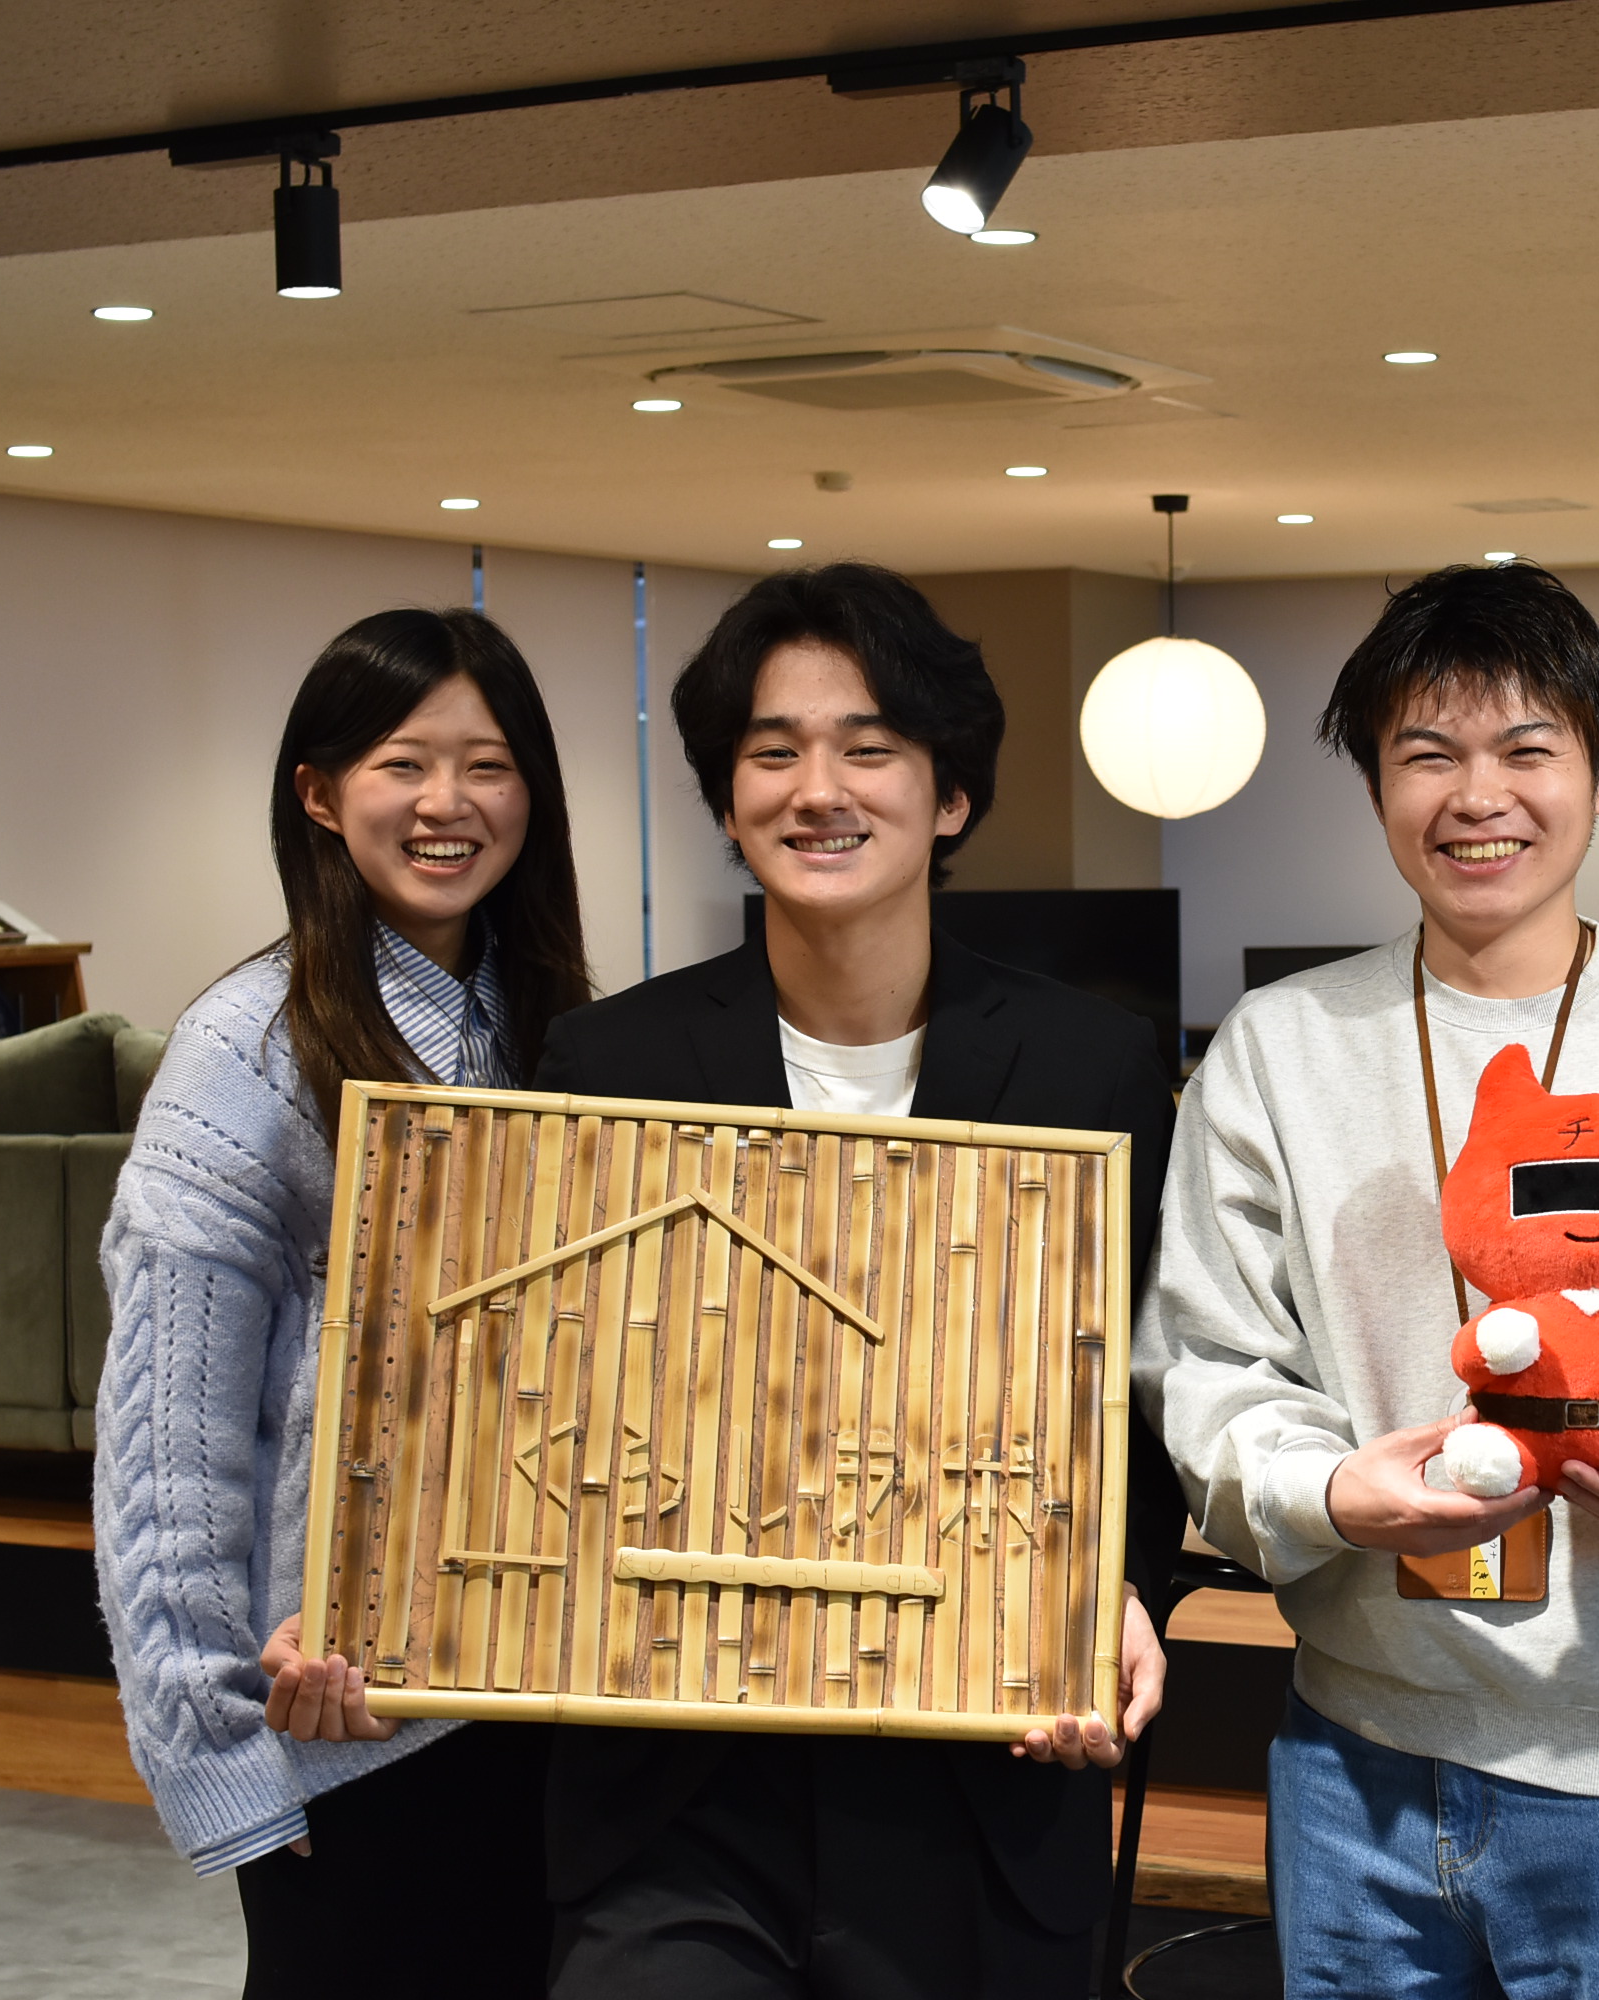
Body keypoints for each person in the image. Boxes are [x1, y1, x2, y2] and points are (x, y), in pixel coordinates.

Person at [1137, 561, 1599, 1999]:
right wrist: (1337, 1495)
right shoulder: (1278, 1047)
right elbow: (1212, 1363)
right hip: (1352, 1766)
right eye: (1427, 755)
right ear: (1375, 786)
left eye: (1528, 750)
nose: (1480, 797)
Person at [528, 561, 1180, 1999]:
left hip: (982, 1762)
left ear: (951, 796)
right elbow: (553, 1390)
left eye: (868, 748)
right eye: (773, 753)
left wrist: (1117, 1586)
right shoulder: (611, 1064)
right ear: (727, 800)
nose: (818, 789)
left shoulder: (1089, 1067)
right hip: (678, 1784)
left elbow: (1139, 1390)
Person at [94, 607, 591, 1996]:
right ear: (318, 795)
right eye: (401, 764)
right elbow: (167, 1453)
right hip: (351, 1722)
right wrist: (220, 1756)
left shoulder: (563, 1030)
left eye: (487, 766)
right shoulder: (244, 1050)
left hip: (562, 1696)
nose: (448, 804)